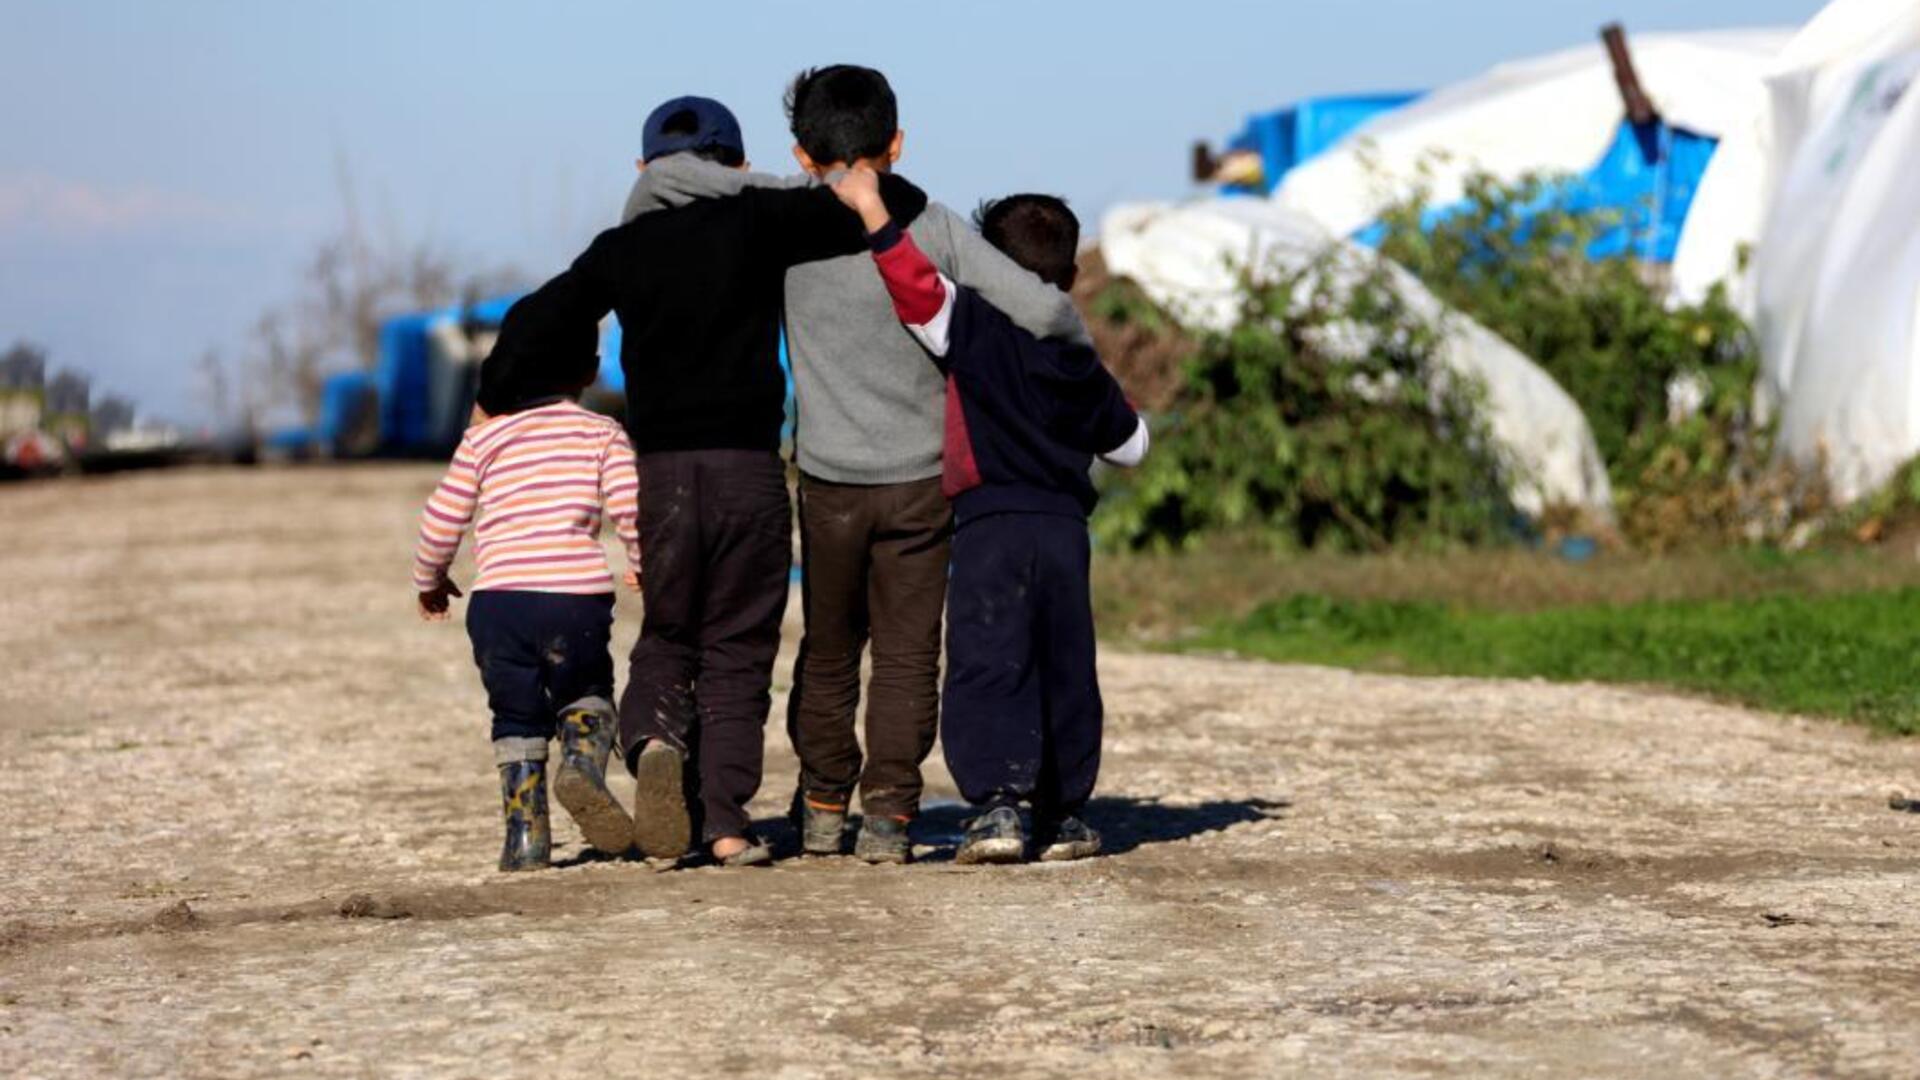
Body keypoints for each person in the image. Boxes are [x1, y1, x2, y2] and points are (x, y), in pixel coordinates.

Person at [627, 65, 1089, 864]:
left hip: (830, 483)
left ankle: (821, 808)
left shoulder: (782, 224)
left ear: (802, 155)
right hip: (921, 485)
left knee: (831, 650)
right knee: (909, 655)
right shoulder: (935, 227)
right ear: (899, 142)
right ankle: (890, 819)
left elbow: (686, 190)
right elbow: (1045, 309)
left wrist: (713, 176)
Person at [477, 96, 927, 867]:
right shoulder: (759, 219)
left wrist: (491, 399)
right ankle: (723, 823)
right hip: (747, 472)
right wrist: (788, 185)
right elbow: (896, 199)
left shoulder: (623, 247)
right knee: (739, 649)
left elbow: (538, 317)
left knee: (671, 633)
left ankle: (653, 739)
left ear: (644, 169)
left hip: (662, 478)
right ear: (739, 164)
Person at [831, 168, 1148, 863]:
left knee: (988, 660)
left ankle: (997, 808)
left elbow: (915, 288)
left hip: (987, 524)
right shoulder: (1074, 354)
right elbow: (1131, 444)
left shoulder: (970, 324)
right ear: (1068, 275)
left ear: (985, 266)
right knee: (1064, 664)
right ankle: (1064, 816)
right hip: (1064, 530)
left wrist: (874, 213)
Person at [413, 314, 641, 871]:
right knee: (586, 690)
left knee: (514, 715)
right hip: (575, 600)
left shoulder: (484, 438)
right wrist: (644, 562)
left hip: (499, 607)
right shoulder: (601, 432)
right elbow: (633, 507)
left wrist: (431, 580)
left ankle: (525, 840)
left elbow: (442, 519)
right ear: (589, 372)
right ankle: (582, 770)